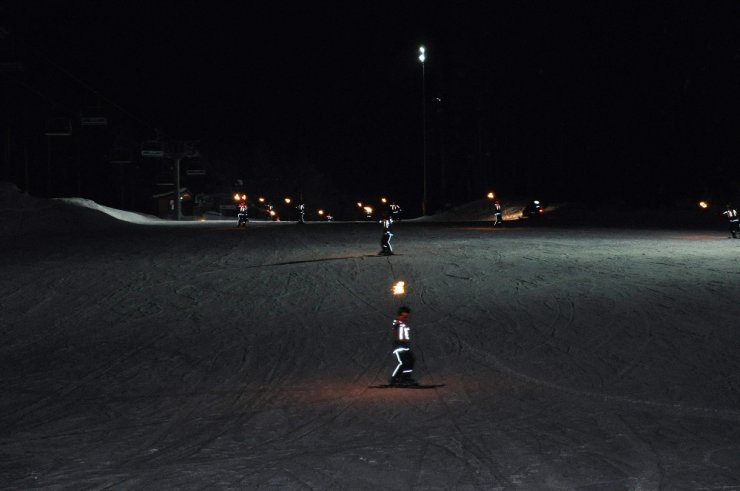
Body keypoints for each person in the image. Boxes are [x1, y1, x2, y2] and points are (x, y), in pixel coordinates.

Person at [390, 306, 416, 386]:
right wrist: (399, 322)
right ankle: (396, 378)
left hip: (404, 345)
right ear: (401, 313)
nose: (407, 315)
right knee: (405, 362)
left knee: (411, 360)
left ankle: (405, 377)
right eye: (405, 313)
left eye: (407, 313)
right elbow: (395, 326)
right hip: (399, 344)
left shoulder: (404, 322)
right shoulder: (398, 321)